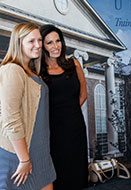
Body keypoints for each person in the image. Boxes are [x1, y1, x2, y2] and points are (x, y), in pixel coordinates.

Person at [0, 23, 56, 189]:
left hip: (40, 151)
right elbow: (11, 118)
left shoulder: (31, 71)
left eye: (39, 40)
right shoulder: (12, 69)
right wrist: (24, 159)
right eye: (31, 41)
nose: (38, 45)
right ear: (19, 43)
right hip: (19, 153)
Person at [40, 25, 88, 190]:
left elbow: (83, 95)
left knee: (77, 174)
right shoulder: (38, 71)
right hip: (53, 132)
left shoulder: (73, 64)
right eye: (50, 43)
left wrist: (70, 113)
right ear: (43, 46)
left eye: (58, 41)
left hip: (76, 128)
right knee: (58, 176)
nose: (55, 46)